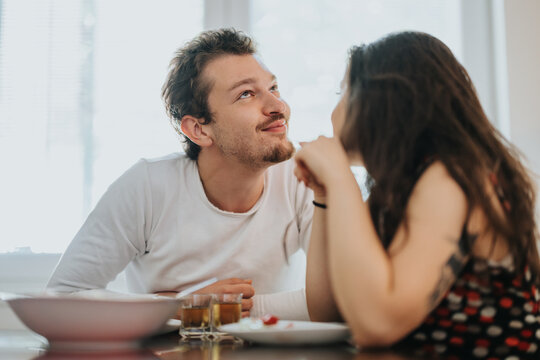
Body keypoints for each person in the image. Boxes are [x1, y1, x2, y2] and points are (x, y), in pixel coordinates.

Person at [295, 31, 540, 358]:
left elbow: (378, 324)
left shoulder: (453, 177)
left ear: (378, 100)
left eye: (343, 91)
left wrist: (340, 177)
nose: (334, 110)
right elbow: (328, 316)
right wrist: (325, 192)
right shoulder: (393, 193)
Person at [47, 28, 313, 321]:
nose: (279, 107)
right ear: (199, 129)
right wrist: (183, 306)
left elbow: (346, 298)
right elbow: (60, 299)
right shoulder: (147, 187)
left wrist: (220, 309)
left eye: (273, 88)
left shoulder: (305, 179)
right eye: (246, 94)